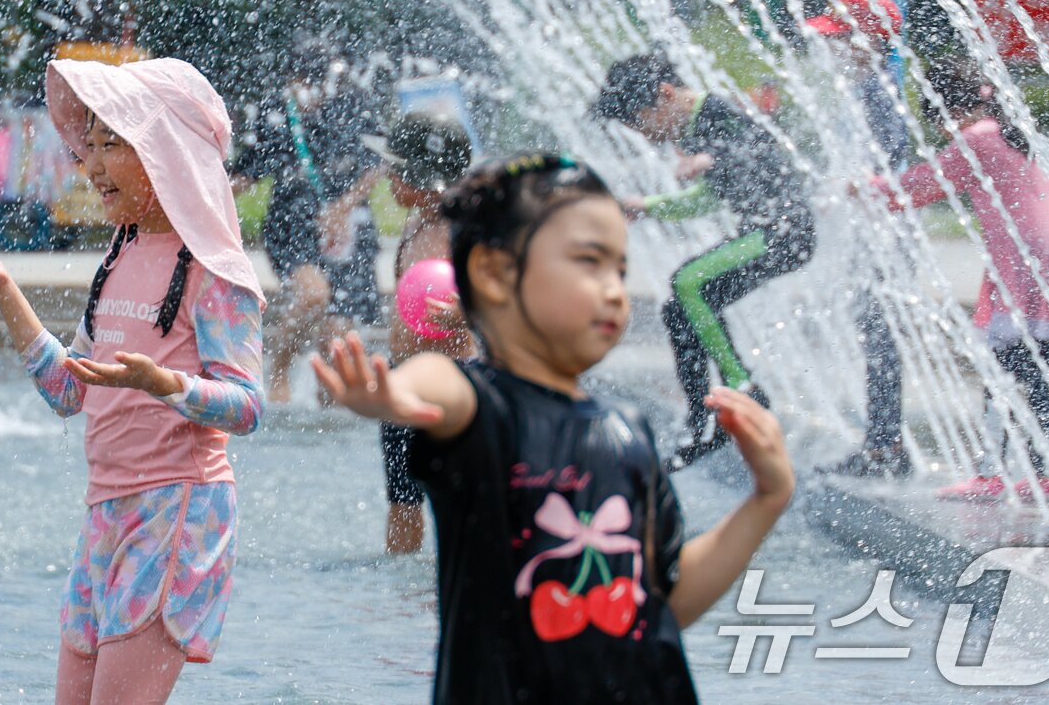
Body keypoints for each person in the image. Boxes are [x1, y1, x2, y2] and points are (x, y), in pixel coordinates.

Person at [312, 154, 794, 705]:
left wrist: (767, 499)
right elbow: (438, 381)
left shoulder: (629, 435)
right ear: (493, 274)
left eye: (618, 267)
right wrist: (395, 395)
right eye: (588, 262)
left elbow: (665, 600)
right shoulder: (484, 410)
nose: (614, 288)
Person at [0, 58, 265, 704]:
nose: (91, 163)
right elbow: (68, 390)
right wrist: (3, 287)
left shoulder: (215, 274)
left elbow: (248, 408)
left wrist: (167, 385)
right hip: (104, 517)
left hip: (176, 515)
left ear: (165, 154)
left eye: (114, 144)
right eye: (93, 143)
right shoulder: (119, 258)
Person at [861, 57, 1049, 501]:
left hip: (1023, 267)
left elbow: (920, 186)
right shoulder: (1007, 131)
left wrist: (865, 187)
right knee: (1043, 375)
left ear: (950, 108)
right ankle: (1041, 474)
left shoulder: (977, 141)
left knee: (1000, 374)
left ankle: (991, 475)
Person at [591, 54, 816, 470]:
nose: (645, 135)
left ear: (665, 95)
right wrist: (647, 206)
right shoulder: (696, 131)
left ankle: (741, 385)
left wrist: (713, 159)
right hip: (764, 232)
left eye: (640, 122)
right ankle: (702, 420)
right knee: (679, 310)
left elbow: (758, 147)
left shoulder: (718, 110)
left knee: (687, 282)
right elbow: (712, 197)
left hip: (784, 231)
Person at [230, 44, 382, 403]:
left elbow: (377, 163)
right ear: (290, 81)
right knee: (314, 295)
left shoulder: (351, 106)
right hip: (292, 224)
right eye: (303, 82)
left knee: (338, 334)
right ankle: (278, 372)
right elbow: (246, 173)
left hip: (348, 229)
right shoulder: (276, 113)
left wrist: (343, 208)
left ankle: (325, 412)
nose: (311, 91)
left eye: (317, 82)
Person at [805, 0, 912, 478]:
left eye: (839, 39)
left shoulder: (878, 90)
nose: (830, 50)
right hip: (876, 231)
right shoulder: (867, 86)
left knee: (880, 333)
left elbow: (890, 168)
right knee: (874, 332)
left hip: (885, 235)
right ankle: (883, 442)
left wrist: (843, 188)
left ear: (869, 41)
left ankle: (886, 448)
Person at [362, 110, 476, 554]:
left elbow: (501, 298)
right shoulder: (415, 225)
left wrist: (464, 315)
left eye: (396, 169)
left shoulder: (461, 234)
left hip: (451, 382)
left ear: (425, 177)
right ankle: (401, 582)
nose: (387, 176)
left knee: (457, 495)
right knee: (402, 496)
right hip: (403, 380)